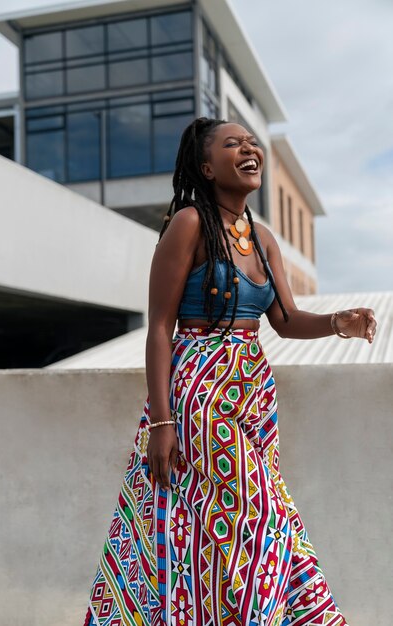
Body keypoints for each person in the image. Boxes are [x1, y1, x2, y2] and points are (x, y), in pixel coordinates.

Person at [83, 117, 377, 626]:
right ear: (206, 165)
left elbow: (283, 321)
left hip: (254, 392)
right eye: (232, 143)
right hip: (201, 389)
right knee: (263, 517)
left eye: (252, 142)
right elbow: (159, 327)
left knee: (234, 526)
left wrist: (337, 322)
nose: (250, 149)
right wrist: (161, 421)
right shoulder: (189, 223)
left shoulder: (263, 238)